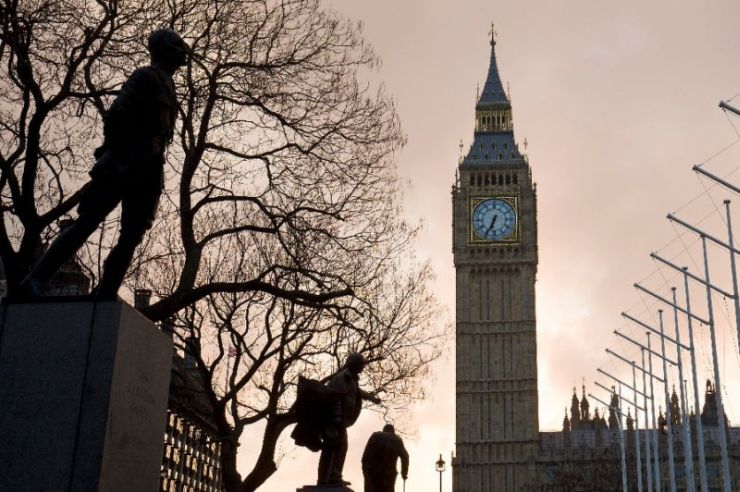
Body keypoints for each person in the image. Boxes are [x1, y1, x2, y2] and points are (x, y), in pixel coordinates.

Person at [18, 29, 189, 299]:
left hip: (150, 168)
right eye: (178, 45)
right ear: (164, 50)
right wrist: (123, 152)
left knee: (133, 233)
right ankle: (35, 280)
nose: (184, 51)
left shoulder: (169, 85)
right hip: (123, 162)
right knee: (88, 221)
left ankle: (107, 290)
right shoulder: (145, 76)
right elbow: (117, 114)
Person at [317, 353, 380, 486]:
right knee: (332, 449)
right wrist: (337, 418)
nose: (363, 367)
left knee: (340, 448)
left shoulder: (351, 380)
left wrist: (372, 398)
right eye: (361, 364)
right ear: (354, 364)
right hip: (334, 421)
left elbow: (358, 392)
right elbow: (336, 398)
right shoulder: (342, 379)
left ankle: (333, 476)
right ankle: (329, 478)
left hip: (340, 422)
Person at [361, 424, 409, 492]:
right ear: (393, 432)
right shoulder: (397, 440)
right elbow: (405, 457)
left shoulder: (375, 436)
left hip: (373, 474)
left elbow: (365, 457)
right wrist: (404, 473)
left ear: (383, 430)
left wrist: (365, 473)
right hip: (388, 476)